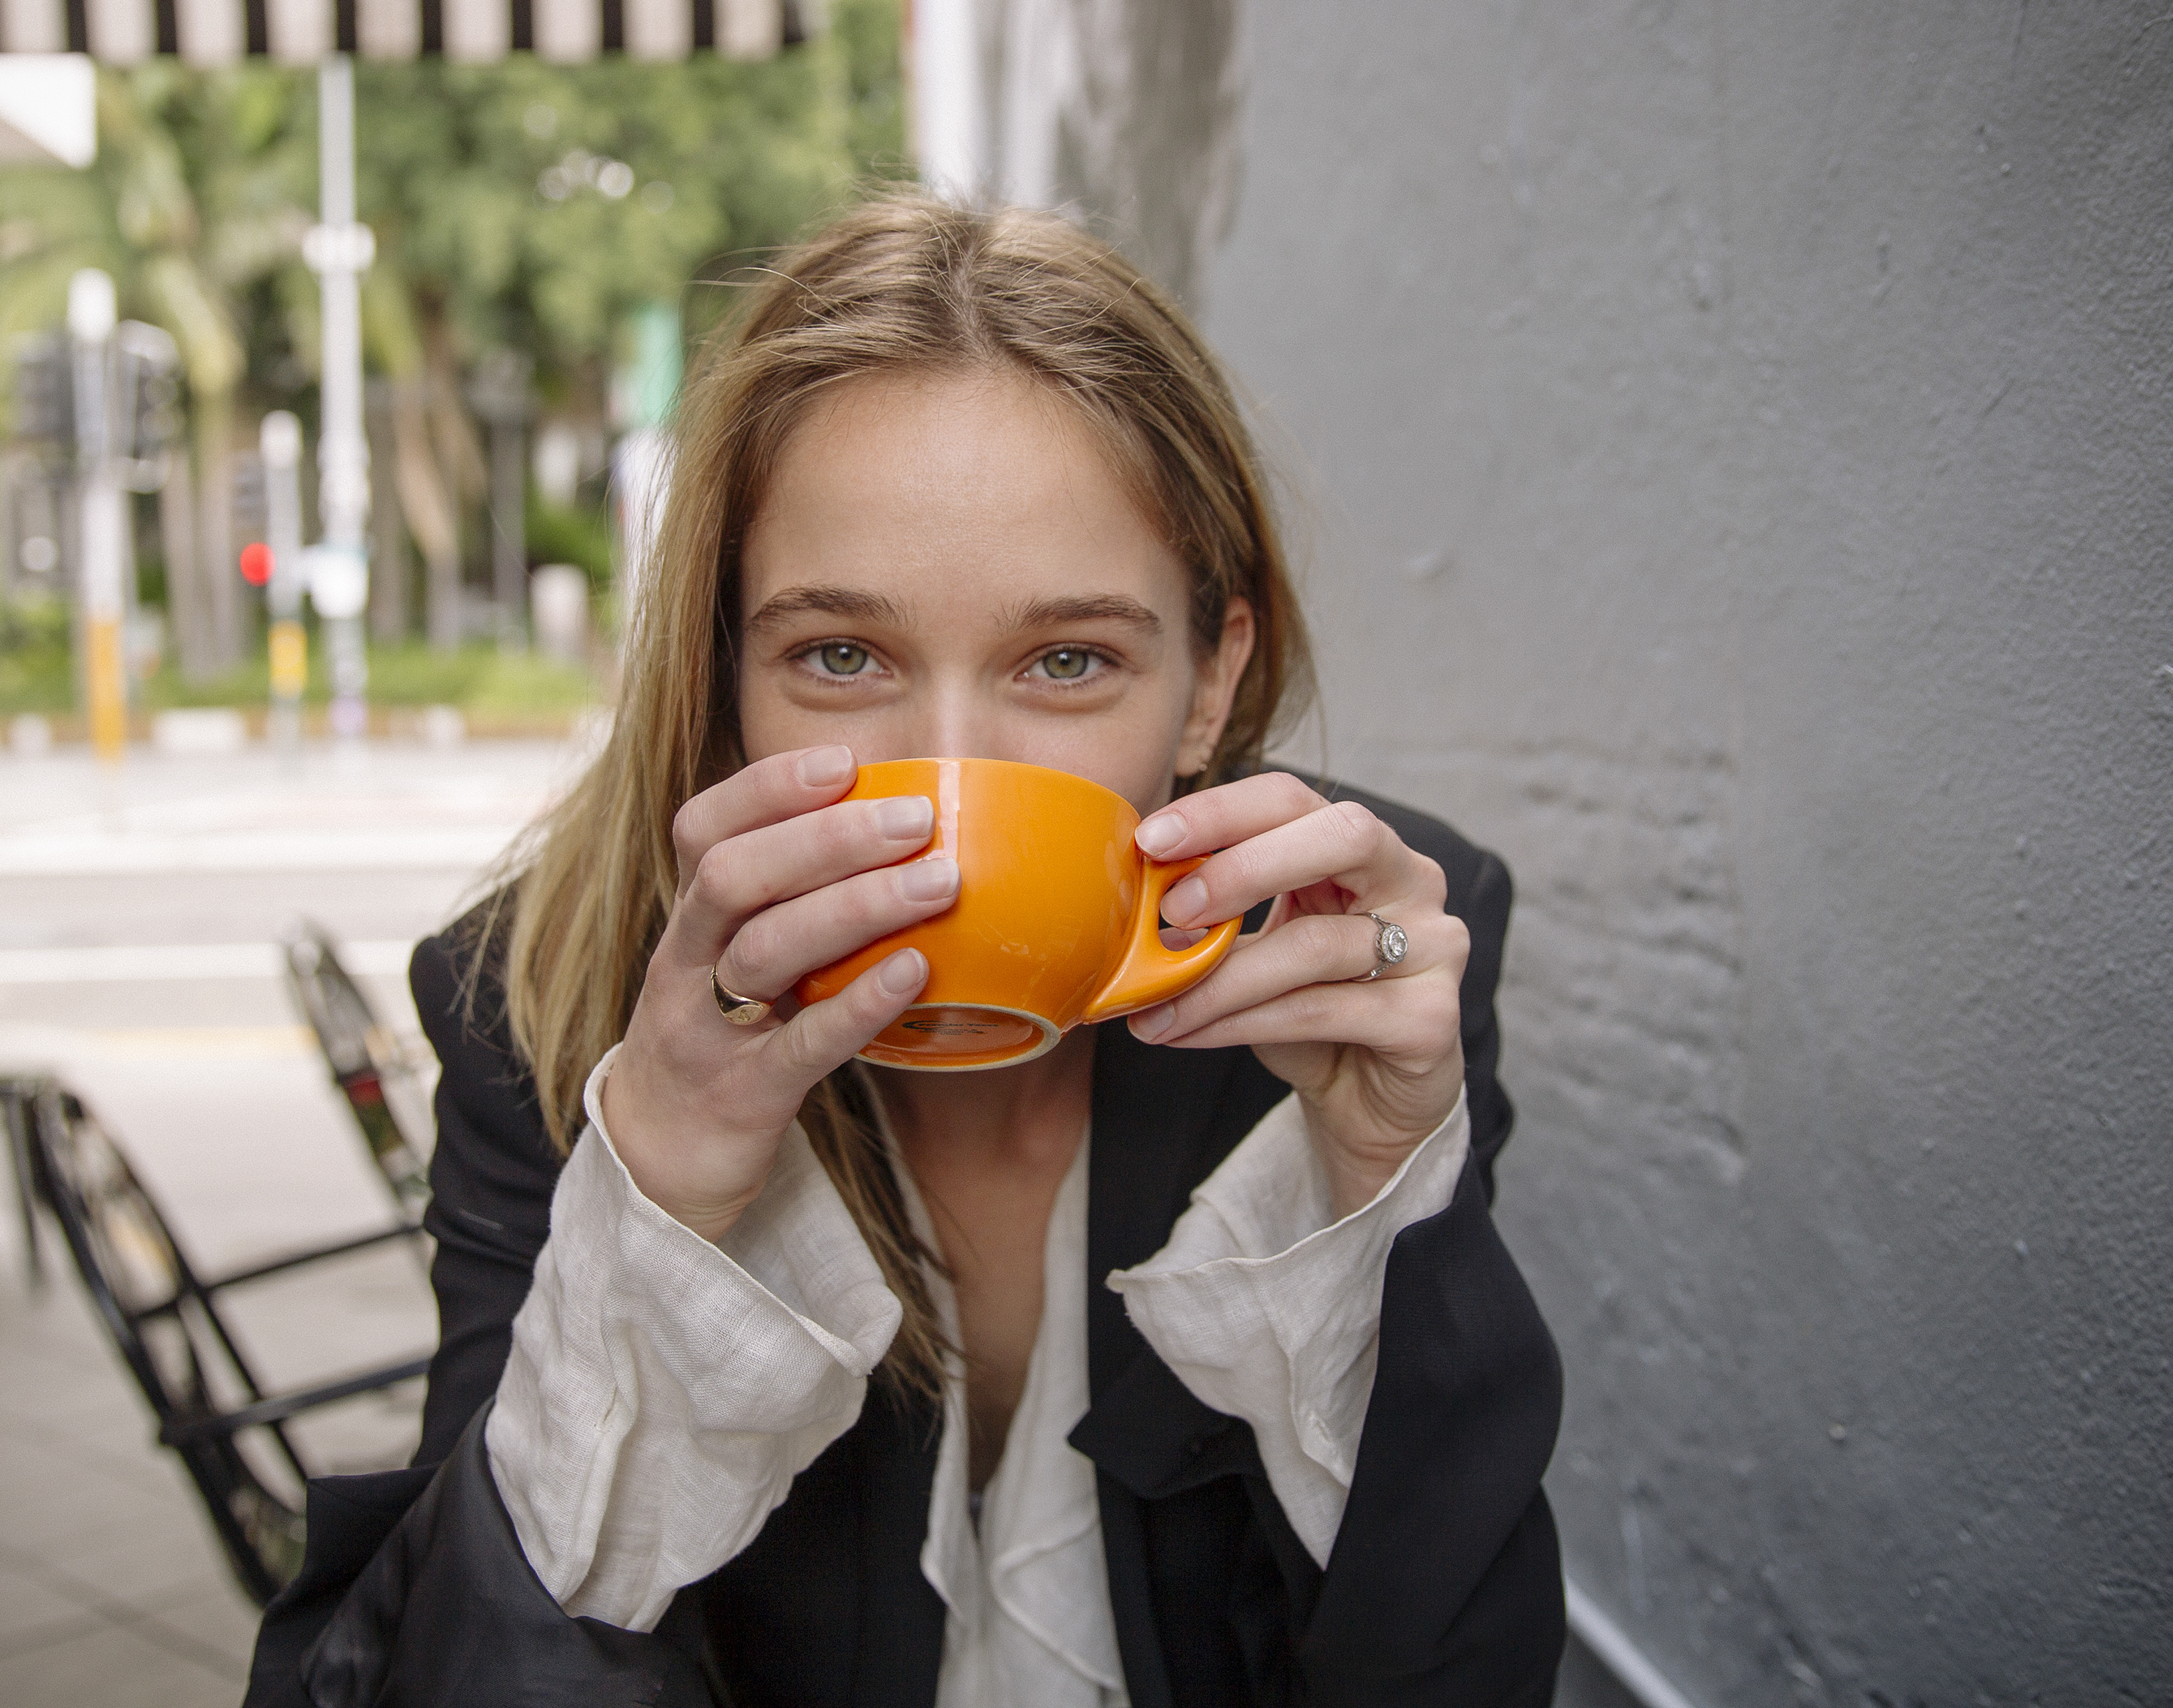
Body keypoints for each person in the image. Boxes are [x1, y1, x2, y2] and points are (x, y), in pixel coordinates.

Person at [247, 199, 1563, 1707]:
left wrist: (1382, 1199)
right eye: (838, 655)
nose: (944, 789)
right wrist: (659, 1204)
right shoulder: (543, 1000)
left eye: (1066, 660)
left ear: (1211, 684)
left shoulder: (1359, 949)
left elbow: (1457, 1669)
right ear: (723, 675)